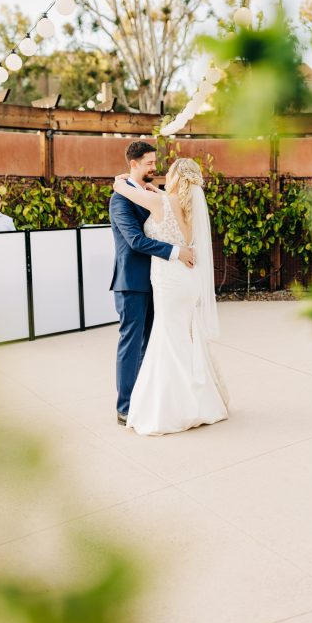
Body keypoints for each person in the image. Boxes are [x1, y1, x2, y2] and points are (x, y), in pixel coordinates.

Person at [113, 156, 228, 436]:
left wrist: (119, 182)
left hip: (169, 281)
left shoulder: (161, 202)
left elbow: (124, 190)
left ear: (176, 178)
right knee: (185, 338)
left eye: (169, 172)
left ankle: (170, 406)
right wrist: (158, 192)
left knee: (166, 338)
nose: (161, 173)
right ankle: (199, 400)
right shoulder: (188, 206)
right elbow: (172, 209)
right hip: (187, 280)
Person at [109, 141, 196, 427]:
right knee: (131, 344)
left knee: (152, 344)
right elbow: (135, 241)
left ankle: (146, 399)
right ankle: (124, 407)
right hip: (133, 281)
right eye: (148, 163)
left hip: (159, 282)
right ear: (133, 164)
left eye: (154, 162)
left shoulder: (150, 193)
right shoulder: (120, 199)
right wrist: (176, 252)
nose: (153, 167)